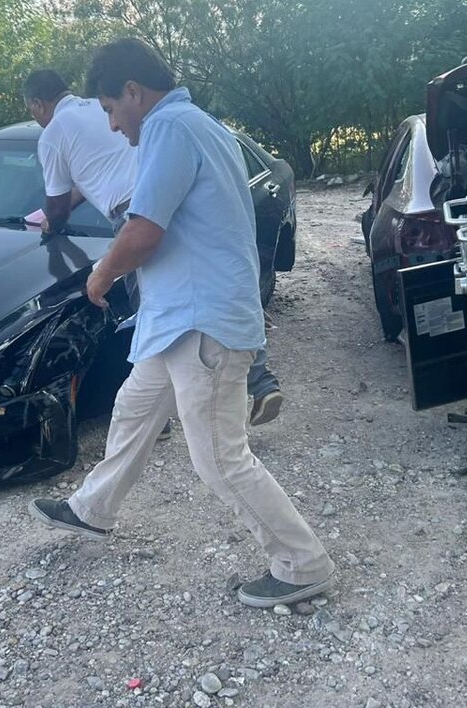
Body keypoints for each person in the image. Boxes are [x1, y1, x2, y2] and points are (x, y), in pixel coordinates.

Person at [29, 40, 334, 609]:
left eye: (111, 110)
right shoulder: (202, 125)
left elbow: (144, 231)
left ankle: (302, 563)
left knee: (219, 456)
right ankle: (91, 508)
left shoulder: (168, 128)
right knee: (134, 408)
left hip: (201, 322)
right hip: (181, 319)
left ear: (133, 92)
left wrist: (100, 276)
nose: (113, 126)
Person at [22, 68, 284, 427]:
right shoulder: (102, 109)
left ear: (38, 103)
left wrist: (56, 231)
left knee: (148, 310)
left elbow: (57, 206)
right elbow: (95, 175)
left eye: (32, 110)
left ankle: (156, 417)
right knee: (211, 289)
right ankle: (261, 379)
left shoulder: (55, 134)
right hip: (168, 192)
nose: (113, 123)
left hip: (139, 213)